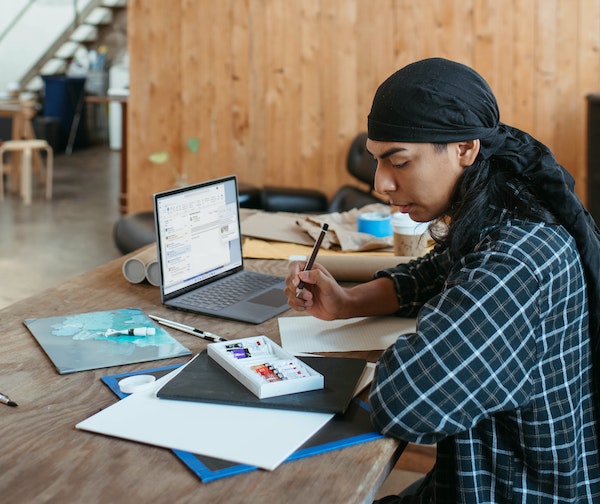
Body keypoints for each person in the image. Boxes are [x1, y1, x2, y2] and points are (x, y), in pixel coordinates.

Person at [285, 58, 600, 503]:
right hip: (478, 477)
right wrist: (345, 302)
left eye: (399, 161)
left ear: (466, 150)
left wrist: (431, 335)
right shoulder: (499, 214)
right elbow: (430, 275)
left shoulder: (516, 262)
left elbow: (407, 403)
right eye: (377, 161)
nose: (381, 182)